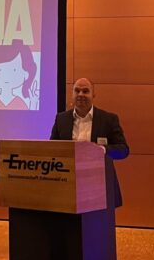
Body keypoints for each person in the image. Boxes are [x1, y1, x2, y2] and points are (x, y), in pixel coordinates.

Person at [50, 77, 129, 205]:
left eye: (85, 91)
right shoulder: (61, 119)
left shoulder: (108, 120)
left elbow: (123, 150)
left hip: (99, 185)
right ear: (72, 94)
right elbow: (52, 149)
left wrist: (102, 150)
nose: (80, 94)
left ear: (93, 95)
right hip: (68, 184)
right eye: (77, 91)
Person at [0, 40, 37, 110]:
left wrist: (33, 103)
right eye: (0, 70)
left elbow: (27, 115)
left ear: (26, 74)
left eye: (14, 70)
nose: (6, 76)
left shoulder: (19, 102)